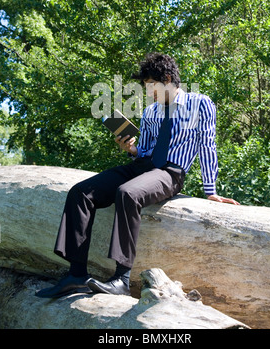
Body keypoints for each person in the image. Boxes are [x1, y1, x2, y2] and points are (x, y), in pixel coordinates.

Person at [35, 53, 239, 299]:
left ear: (167, 79)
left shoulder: (200, 103)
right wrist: (130, 149)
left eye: (151, 86)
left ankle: (121, 278)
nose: (149, 92)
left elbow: (208, 145)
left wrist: (211, 191)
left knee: (127, 193)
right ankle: (76, 275)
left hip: (169, 172)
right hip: (141, 166)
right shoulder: (151, 111)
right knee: (81, 192)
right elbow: (145, 149)